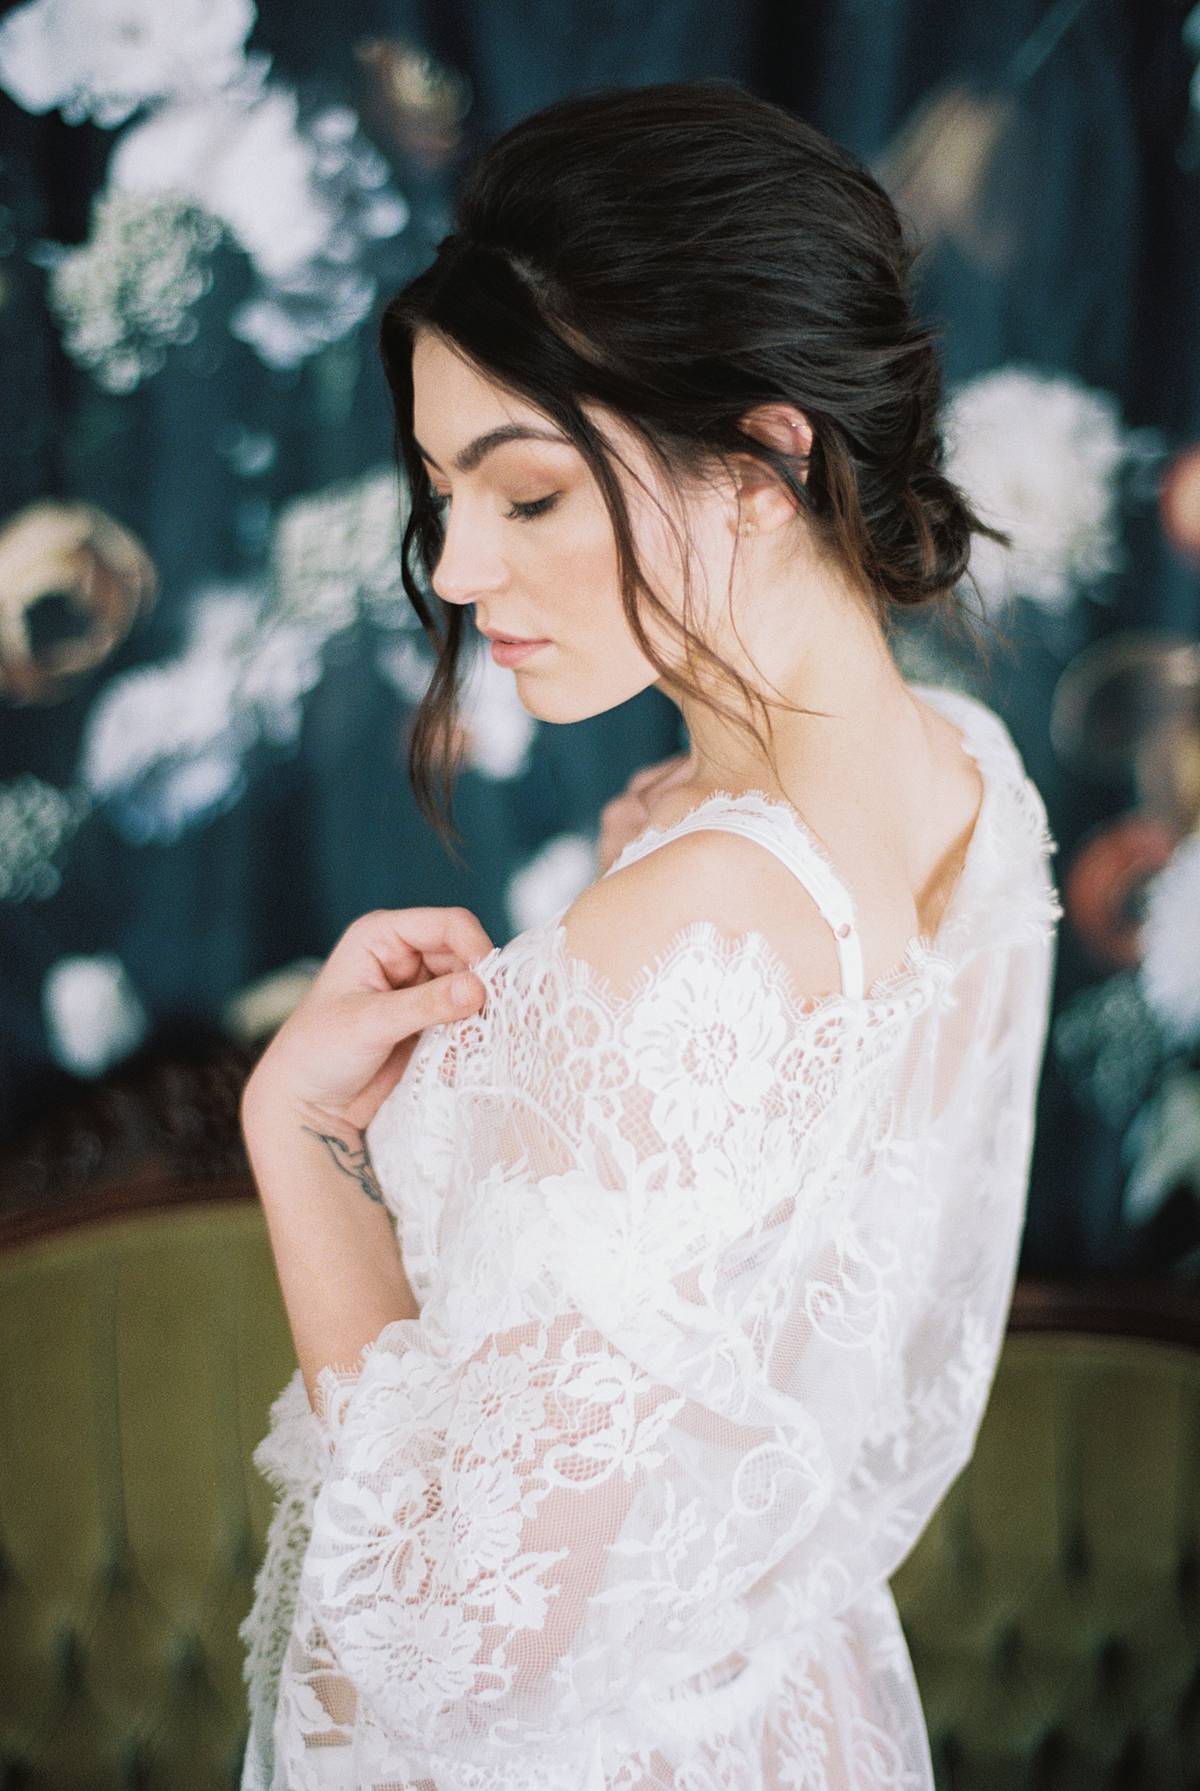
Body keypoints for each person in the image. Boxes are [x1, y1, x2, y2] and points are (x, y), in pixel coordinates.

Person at [237, 79, 1064, 1791]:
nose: (457, 567)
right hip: (783, 1719)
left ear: (766, 459)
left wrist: (306, 1138)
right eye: (439, 493)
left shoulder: (688, 927)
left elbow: (457, 1637)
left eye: (525, 496)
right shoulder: (971, 785)